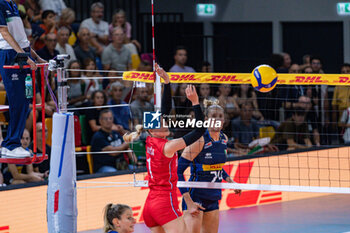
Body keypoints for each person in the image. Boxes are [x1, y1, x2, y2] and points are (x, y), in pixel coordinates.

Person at [123, 63, 206, 233]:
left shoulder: (150, 141)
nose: (166, 122)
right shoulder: (168, 146)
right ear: (153, 130)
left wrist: (167, 83)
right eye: (161, 122)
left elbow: (165, 110)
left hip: (150, 205)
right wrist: (196, 103)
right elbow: (199, 130)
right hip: (164, 203)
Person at [177, 99, 241, 233]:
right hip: (196, 197)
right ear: (206, 119)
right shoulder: (200, 140)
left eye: (220, 116)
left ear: (224, 120)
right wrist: (188, 201)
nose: (217, 119)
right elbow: (178, 171)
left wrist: (231, 181)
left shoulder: (224, 139)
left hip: (213, 198)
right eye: (213, 116)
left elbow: (216, 166)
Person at [0, 0, 46, 159]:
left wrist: (37, 57)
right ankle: (11, 144)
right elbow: (5, 33)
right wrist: (24, 57)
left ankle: (10, 144)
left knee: (25, 100)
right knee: (18, 101)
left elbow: (22, 40)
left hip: (22, 55)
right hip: (10, 55)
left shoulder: (14, 6)